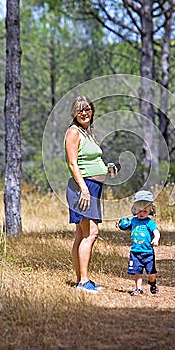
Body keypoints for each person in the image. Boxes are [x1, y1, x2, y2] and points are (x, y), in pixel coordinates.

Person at [65, 95, 116, 293]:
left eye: (87, 109)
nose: (84, 113)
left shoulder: (86, 133)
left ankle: (81, 280)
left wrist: (106, 168)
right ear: (74, 113)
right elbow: (72, 163)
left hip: (92, 186)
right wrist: (84, 188)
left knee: (81, 234)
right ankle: (84, 282)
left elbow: (91, 160)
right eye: (80, 110)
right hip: (83, 187)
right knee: (92, 233)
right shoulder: (73, 132)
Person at [116, 190, 160, 296]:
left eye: (145, 211)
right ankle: (138, 289)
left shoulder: (150, 222)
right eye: (139, 210)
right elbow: (125, 225)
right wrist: (120, 224)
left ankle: (152, 283)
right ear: (134, 209)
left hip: (148, 252)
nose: (141, 213)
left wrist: (156, 239)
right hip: (135, 252)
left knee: (151, 273)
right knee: (137, 271)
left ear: (150, 210)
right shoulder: (133, 221)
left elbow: (156, 232)